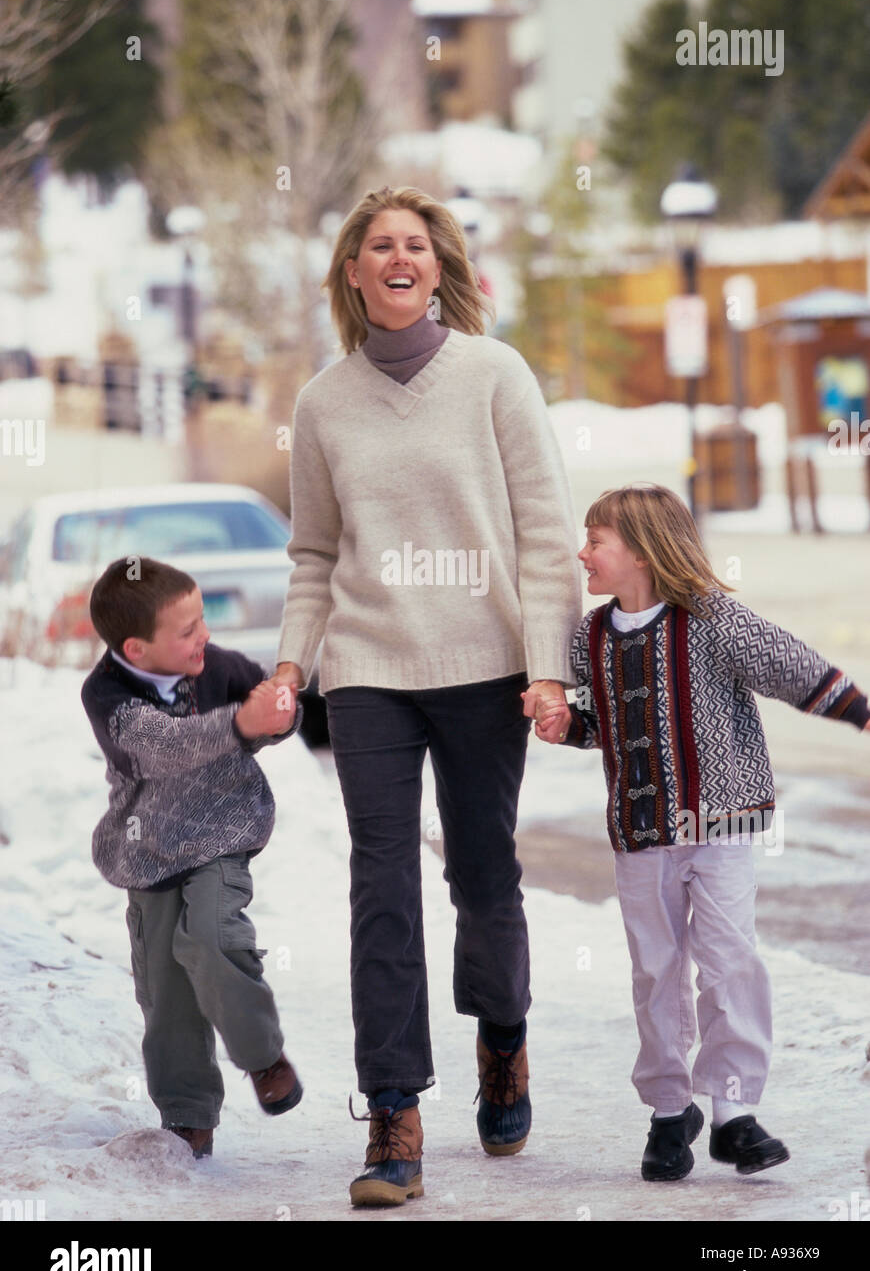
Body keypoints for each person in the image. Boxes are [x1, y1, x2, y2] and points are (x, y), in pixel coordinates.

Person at [267, 185, 582, 1207]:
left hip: (487, 667)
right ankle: (394, 1111)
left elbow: (544, 531)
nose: (398, 258)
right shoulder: (322, 401)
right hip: (368, 673)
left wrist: (548, 664)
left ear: (439, 267)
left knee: (484, 875)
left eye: (415, 245)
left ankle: (503, 1038)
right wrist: (289, 664)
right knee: (381, 885)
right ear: (354, 274)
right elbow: (314, 552)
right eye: (378, 247)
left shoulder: (495, 375)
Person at [535, 484, 870, 1182]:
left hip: (721, 822)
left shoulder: (711, 620)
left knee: (728, 962)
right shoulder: (589, 636)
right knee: (656, 971)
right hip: (641, 833)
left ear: (644, 552)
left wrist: (861, 712)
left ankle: (733, 1113)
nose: (582, 553)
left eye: (596, 541)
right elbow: (606, 725)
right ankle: (667, 1111)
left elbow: (791, 666)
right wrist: (570, 726)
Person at [81, 556, 305, 1159]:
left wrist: (276, 714)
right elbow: (161, 748)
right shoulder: (106, 694)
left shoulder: (219, 667)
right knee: (166, 986)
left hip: (221, 834)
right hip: (148, 849)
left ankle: (262, 1056)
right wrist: (239, 723)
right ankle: (187, 1114)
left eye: (201, 620)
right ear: (137, 647)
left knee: (210, 938)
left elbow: (272, 709)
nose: (203, 635)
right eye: (186, 631)